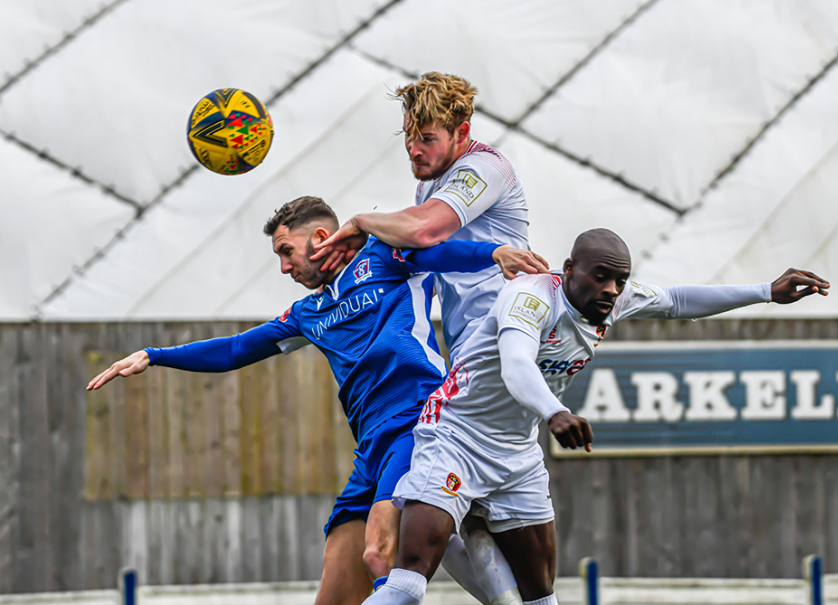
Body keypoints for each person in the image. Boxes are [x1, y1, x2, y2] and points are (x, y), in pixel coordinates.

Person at [86, 196, 545, 605]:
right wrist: (154, 355)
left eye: (286, 252)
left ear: (321, 238)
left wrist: (493, 252)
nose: (285, 268)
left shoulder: (382, 257)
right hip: (371, 448)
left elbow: (439, 250)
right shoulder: (308, 312)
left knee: (379, 550)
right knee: (337, 593)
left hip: (418, 421)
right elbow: (235, 349)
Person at [362, 228, 830, 605]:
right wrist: (555, 411)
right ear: (568, 270)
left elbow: (680, 301)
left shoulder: (615, 298)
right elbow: (516, 362)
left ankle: (472, 526)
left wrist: (766, 291)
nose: (610, 290)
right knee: (408, 586)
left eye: (619, 281)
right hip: (455, 439)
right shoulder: (530, 298)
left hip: (517, 456)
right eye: (600, 277)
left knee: (541, 599)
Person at [313, 72, 547, 362]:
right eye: (408, 136)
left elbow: (423, 229)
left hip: (505, 330)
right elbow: (424, 268)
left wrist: (361, 221)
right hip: (470, 340)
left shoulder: (484, 168)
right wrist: (348, 284)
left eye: (427, 139)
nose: (414, 150)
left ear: (461, 133)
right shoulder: (428, 188)